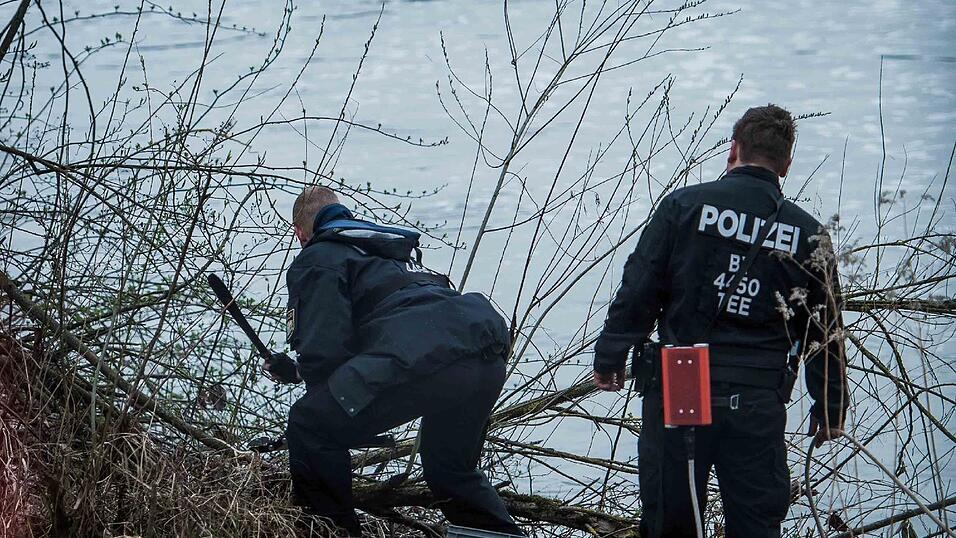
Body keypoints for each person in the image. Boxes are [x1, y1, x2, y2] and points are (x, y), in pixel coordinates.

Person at [592, 104, 849, 538]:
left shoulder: (684, 206)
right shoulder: (808, 234)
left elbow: (640, 286)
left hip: (682, 383)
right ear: (787, 164)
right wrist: (830, 405)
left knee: (670, 521)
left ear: (734, 150)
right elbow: (825, 329)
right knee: (755, 524)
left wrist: (611, 353)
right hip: (756, 397)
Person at [268, 186, 524, 536]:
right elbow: (387, 323)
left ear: (300, 233)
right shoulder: (387, 247)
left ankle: (335, 531)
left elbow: (324, 349)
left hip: (427, 356)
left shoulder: (319, 256)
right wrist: (298, 372)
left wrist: (318, 391)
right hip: (482, 350)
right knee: (450, 468)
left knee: (309, 424)